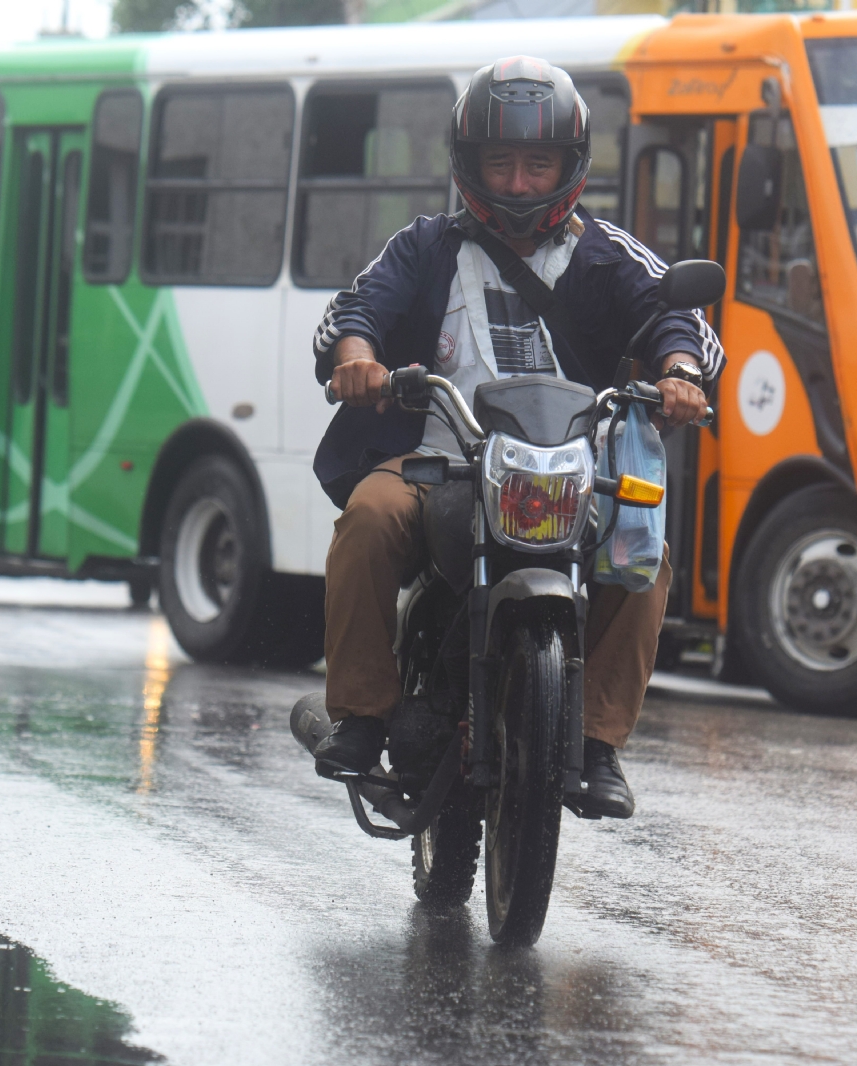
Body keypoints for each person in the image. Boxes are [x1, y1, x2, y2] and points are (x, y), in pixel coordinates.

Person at [309, 55, 724, 818]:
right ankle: (363, 715)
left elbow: (680, 319)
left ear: (572, 166)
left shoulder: (608, 253)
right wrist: (358, 362)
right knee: (368, 516)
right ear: (469, 165)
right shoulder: (426, 245)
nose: (521, 183)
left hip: (569, 470)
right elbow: (354, 312)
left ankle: (596, 742)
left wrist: (679, 371)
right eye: (501, 162)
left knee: (645, 556)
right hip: (439, 461)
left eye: (539, 163)